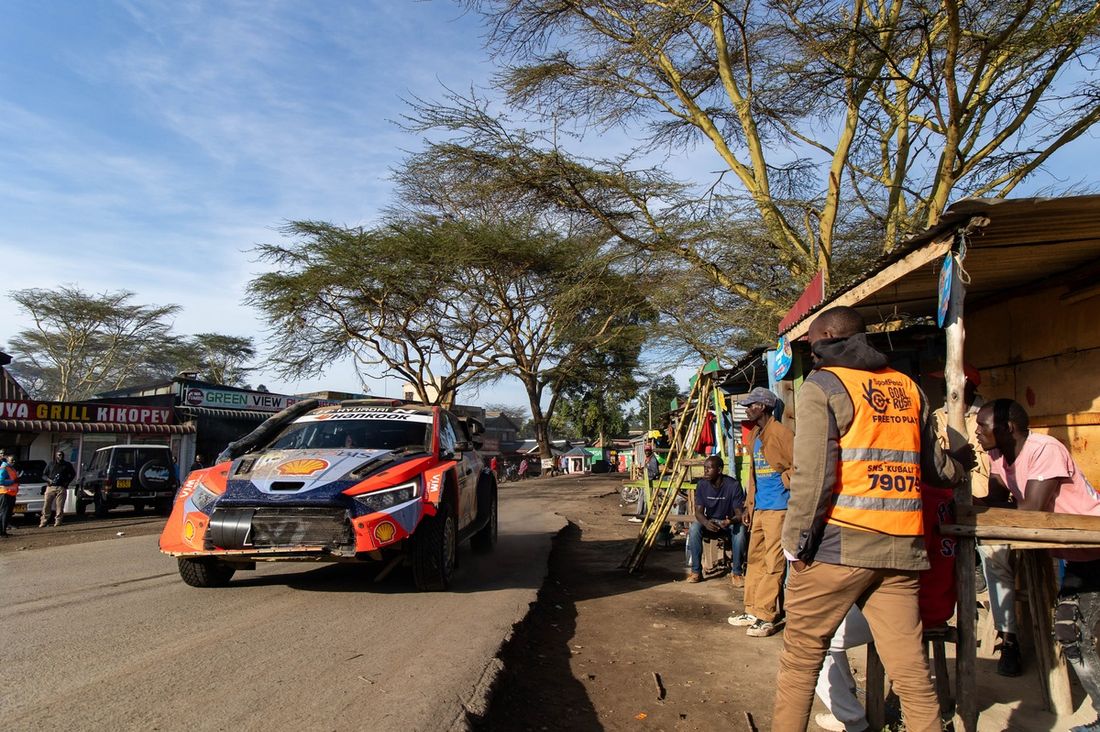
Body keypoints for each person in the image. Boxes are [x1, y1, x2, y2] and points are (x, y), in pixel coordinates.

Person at [772, 306, 970, 732]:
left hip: (838, 547)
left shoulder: (822, 386)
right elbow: (937, 469)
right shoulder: (908, 388)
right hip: (902, 550)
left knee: (801, 660)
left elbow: (814, 475)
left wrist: (796, 544)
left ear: (827, 336)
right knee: (912, 673)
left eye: (810, 340)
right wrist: (960, 463)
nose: (809, 347)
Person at [975, 398, 1100, 729]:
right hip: (1077, 555)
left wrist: (981, 512)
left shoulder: (1045, 448)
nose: (977, 432)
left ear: (1007, 428)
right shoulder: (999, 456)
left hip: (1095, 547)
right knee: (1071, 632)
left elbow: (1031, 511)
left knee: (1075, 631)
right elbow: (997, 502)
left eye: (982, 426)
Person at [727, 386, 794, 636]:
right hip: (760, 509)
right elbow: (753, 476)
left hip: (779, 508)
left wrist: (786, 482)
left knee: (773, 563)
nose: (747, 409)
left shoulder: (782, 434)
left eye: (751, 405)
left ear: (763, 407)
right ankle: (752, 609)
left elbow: (799, 466)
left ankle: (767, 615)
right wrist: (747, 505)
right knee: (754, 560)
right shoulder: (755, 435)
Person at [685, 455, 746, 583]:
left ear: (719, 470)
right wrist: (706, 523)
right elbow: (698, 512)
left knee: (740, 531)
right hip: (711, 522)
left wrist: (730, 521)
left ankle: (737, 573)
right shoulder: (702, 485)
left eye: (709, 468)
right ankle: (696, 572)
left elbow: (739, 514)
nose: (705, 471)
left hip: (728, 523)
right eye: (704, 468)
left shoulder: (733, 485)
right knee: (694, 529)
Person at [39, 449, 76, 528]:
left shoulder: (67, 465)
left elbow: (73, 474)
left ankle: (58, 521)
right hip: (50, 487)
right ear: (56, 456)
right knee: (47, 504)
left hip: (61, 487)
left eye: (62, 455)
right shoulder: (51, 464)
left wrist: (67, 482)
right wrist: (49, 480)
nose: (61, 456)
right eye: (59, 455)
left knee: (59, 506)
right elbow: (44, 475)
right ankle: (44, 521)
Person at [630, 446, 661, 524]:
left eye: (648, 451)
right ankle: (641, 516)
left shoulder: (653, 459)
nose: (646, 452)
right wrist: (643, 470)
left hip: (649, 482)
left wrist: (646, 474)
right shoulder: (649, 459)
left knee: (644, 499)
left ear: (651, 451)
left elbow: (655, 472)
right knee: (642, 498)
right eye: (646, 451)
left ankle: (641, 516)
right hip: (646, 482)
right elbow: (649, 469)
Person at [0, 452, 20, 538]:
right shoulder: (4, 468)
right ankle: (1, 532)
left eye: (15, 460)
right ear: (7, 460)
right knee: (4, 513)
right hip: (5, 494)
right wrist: (13, 481)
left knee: (7, 514)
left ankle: (3, 531)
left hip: (11, 494)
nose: (14, 461)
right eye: (12, 460)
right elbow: (1, 481)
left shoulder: (12, 468)